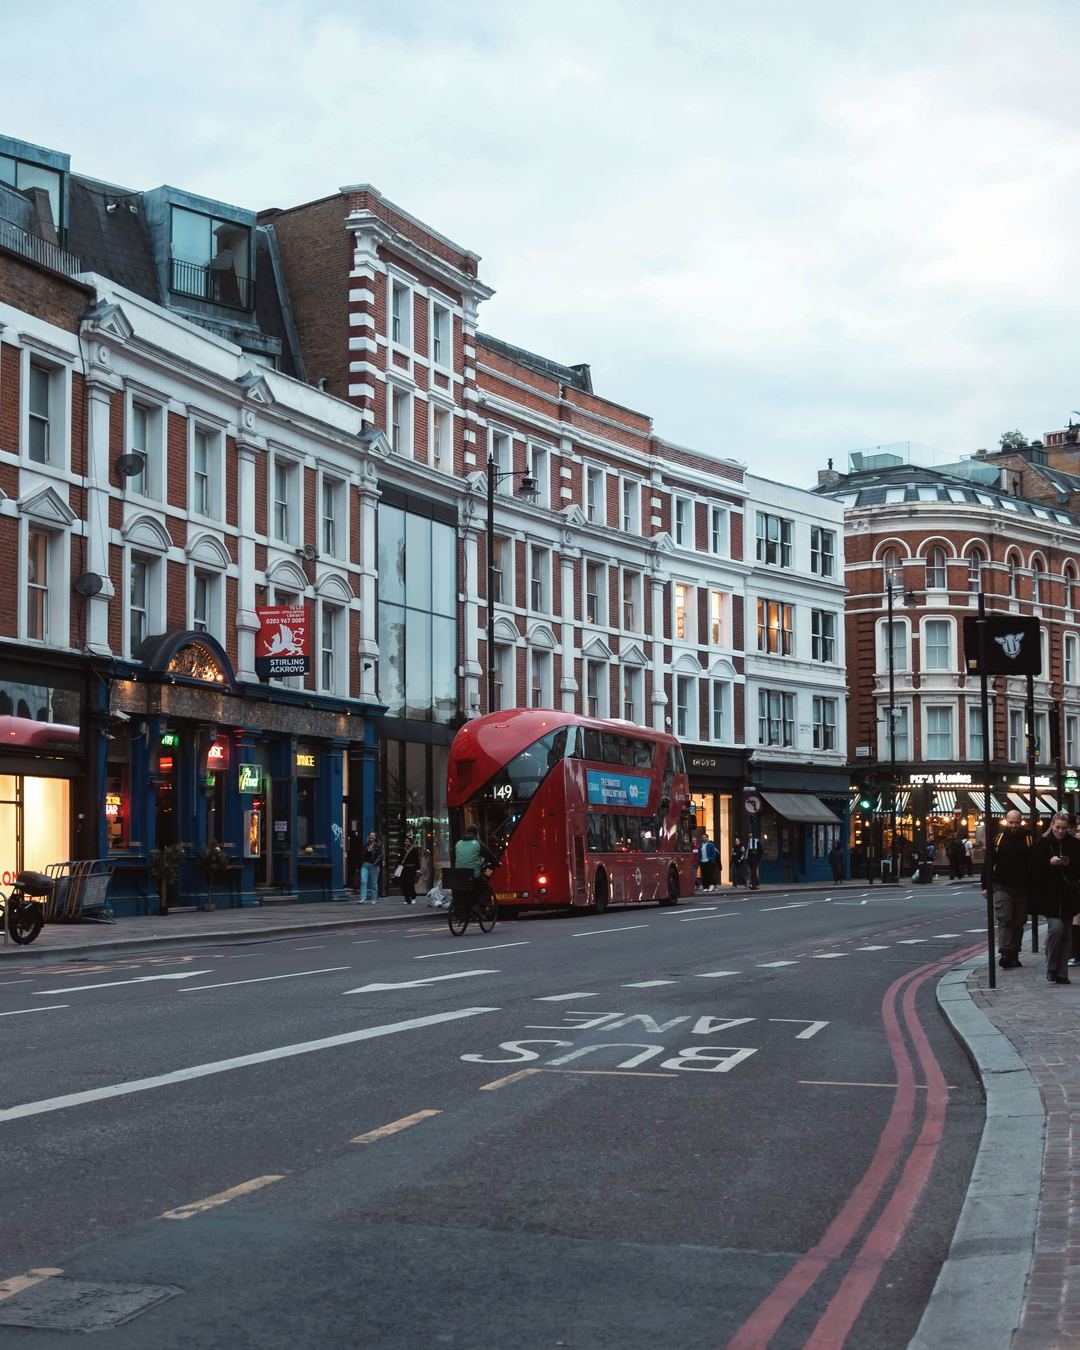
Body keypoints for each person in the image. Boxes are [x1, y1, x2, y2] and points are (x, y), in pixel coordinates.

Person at [1027, 812, 1080, 984]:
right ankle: (1051, 966)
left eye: (1064, 828)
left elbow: (1077, 870)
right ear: (1052, 825)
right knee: (1057, 929)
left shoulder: (1074, 844)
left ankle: (1062, 973)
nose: (1061, 831)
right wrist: (1049, 863)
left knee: (1067, 935)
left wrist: (1068, 864)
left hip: (1069, 895)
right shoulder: (1043, 843)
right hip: (1049, 895)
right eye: (1057, 828)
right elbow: (1033, 870)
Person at [980, 809, 1031, 969]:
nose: (1014, 825)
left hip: (1022, 887)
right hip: (1001, 886)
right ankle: (1005, 953)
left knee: (1019, 922)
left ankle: (1014, 953)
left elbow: (1034, 863)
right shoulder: (998, 839)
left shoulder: (1029, 839)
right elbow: (988, 863)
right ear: (1005, 821)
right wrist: (985, 885)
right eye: (1011, 822)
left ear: (1021, 822)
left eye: (1017, 822)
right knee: (1005, 919)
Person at [453, 825, 498, 904]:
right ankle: (478, 905)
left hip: (460, 875)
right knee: (487, 888)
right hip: (473, 875)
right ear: (476, 833)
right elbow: (490, 855)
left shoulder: (458, 843)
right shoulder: (478, 843)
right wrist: (497, 863)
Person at [358, 831, 383, 905]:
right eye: (370, 835)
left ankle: (374, 899)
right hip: (365, 865)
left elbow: (380, 856)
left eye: (373, 835)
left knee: (374, 883)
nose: (371, 836)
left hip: (374, 865)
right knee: (363, 881)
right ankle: (362, 899)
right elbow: (362, 855)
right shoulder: (365, 845)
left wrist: (376, 863)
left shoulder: (378, 846)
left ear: (375, 837)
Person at [396, 833, 421, 905]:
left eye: (408, 841)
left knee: (411, 884)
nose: (406, 843)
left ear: (411, 842)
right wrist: (397, 867)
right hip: (404, 869)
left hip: (412, 869)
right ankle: (407, 899)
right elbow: (400, 860)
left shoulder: (414, 850)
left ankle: (413, 897)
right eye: (405, 841)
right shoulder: (402, 850)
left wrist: (418, 869)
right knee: (404, 884)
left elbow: (417, 860)